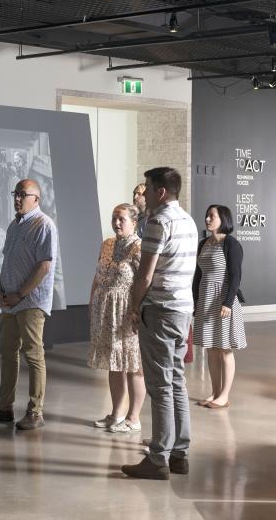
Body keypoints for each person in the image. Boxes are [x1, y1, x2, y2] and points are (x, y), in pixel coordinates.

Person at [121, 167, 197, 480]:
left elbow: (146, 274)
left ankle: (158, 459)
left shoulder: (158, 222)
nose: (146, 194)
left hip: (161, 310)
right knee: (176, 380)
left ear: (161, 192)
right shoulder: (189, 221)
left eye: (149, 188)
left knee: (160, 386)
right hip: (182, 310)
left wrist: (134, 306)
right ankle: (180, 453)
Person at [0, 178, 58, 430]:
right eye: (15, 193)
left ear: (37, 198)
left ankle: (35, 411)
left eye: (23, 194)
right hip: (9, 301)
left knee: (34, 355)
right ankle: (4, 407)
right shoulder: (14, 225)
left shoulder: (44, 224)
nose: (17, 198)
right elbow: (7, 260)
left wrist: (20, 294)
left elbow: (44, 265)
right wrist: (0, 288)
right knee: (8, 354)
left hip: (30, 301)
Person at [89, 203, 145, 433]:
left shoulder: (139, 247)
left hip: (126, 311)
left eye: (122, 219)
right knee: (114, 364)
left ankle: (134, 418)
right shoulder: (107, 244)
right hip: (104, 310)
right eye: (114, 218)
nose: (117, 222)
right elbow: (98, 275)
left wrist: (138, 310)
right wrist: (91, 301)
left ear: (134, 222)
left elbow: (144, 282)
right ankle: (116, 413)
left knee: (132, 365)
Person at [193, 204, 246, 409]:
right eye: (206, 215)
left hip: (224, 300)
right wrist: (196, 300)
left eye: (211, 216)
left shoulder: (232, 244)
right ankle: (215, 392)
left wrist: (227, 302)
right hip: (206, 299)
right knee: (211, 349)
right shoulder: (203, 243)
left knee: (224, 349)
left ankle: (224, 395)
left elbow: (235, 276)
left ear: (223, 219)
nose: (207, 219)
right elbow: (198, 275)